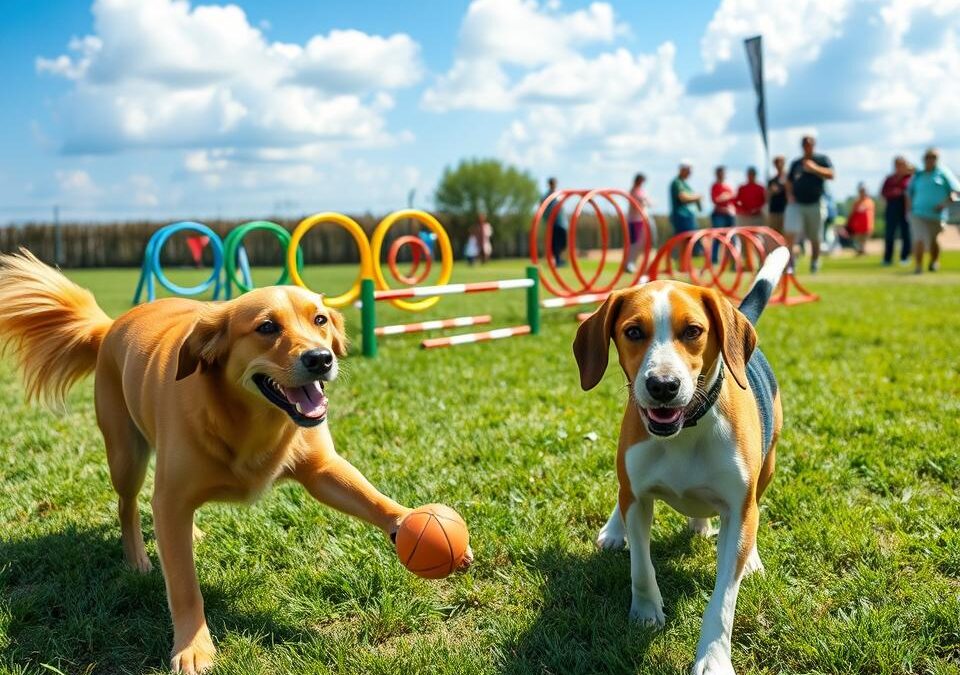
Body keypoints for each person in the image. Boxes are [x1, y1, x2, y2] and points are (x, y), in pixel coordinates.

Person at [785, 135, 835, 273]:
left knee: (815, 236)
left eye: (810, 144)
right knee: (790, 232)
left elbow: (832, 175)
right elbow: (789, 181)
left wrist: (814, 168)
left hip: (815, 203)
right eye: (805, 144)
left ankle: (814, 262)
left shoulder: (822, 160)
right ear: (802, 146)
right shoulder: (796, 163)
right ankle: (790, 264)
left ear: (814, 145)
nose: (807, 146)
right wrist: (789, 195)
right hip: (797, 204)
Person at [906, 147, 960, 274]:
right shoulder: (918, 175)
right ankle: (918, 267)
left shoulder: (943, 173)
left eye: (933, 158)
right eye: (928, 158)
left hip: (937, 215)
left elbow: (955, 191)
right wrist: (909, 208)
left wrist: (945, 202)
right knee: (919, 239)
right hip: (918, 213)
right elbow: (909, 193)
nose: (930, 160)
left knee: (933, 241)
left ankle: (934, 261)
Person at [880, 156, 913, 266]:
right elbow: (883, 192)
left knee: (906, 234)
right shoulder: (889, 179)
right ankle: (887, 259)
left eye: (902, 164)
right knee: (889, 234)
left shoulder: (910, 178)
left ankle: (905, 257)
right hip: (892, 208)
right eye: (897, 165)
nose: (899, 167)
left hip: (905, 208)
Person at [670, 161, 702, 256]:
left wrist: (697, 199)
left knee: (690, 241)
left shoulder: (685, 184)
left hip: (689, 216)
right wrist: (697, 197)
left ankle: (685, 265)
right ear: (682, 170)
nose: (690, 173)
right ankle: (680, 265)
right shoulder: (677, 182)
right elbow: (683, 197)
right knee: (683, 240)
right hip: (681, 216)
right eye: (688, 171)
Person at [626, 173, 652, 273]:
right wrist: (644, 202)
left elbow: (646, 201)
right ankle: (629, 264)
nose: (641, 183)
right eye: (640, 181)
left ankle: (632, 263)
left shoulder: (641, 190)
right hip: (634, 220)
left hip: (641, 219)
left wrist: (647, 202)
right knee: (634, 243)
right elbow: (636, 203)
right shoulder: (633, 191)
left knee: (641, 243)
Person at [541, 177, 567, 266]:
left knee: (563, 242)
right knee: (555, 243)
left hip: (562, 222)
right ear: (549, 184)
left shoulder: (559, 194)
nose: (553, 185)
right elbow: (543, 209)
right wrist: (546, 220)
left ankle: (559, 259)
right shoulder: (546, 196)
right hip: (552, 223)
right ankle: (557, 260)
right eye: (552, 183)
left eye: (554, 183)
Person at [847, 183, 875, 255]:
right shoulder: (856, 202)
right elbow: (852, 213)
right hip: (858, 226)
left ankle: (862, 251)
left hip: (868, 226)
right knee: (859, 241)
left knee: (864, 241)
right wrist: (849, 223)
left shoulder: (870, 201)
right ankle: (860, 251)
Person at [766, 155, 787, 233]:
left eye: (781, 162)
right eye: (777, 163)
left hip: (785, 210)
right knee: (774, 234)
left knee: (786, 234)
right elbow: (767, 196)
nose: (779, 165)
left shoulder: (789, 178)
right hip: (774, 211)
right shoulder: (772, 180)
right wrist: (771, 191)